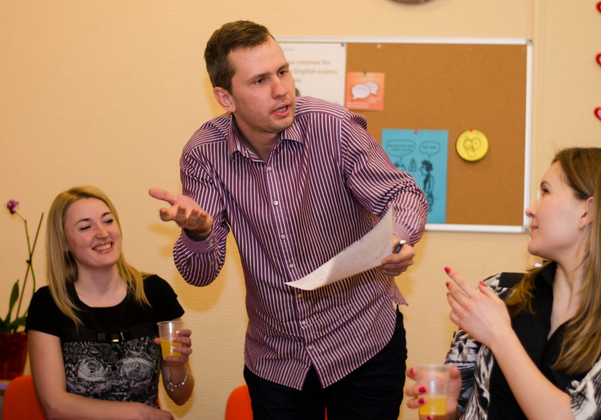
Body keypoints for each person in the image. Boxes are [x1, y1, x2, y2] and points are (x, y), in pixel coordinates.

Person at [149, 20, 428, 420]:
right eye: (260, 80)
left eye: (282, 71)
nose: (281, 89)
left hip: (364, 341)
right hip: (278, 359)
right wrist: (199, 233)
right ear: (225, 98)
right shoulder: (203, 155)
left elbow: (402, 193)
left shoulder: (332, 127)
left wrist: (396, 238)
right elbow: (199, 274)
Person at [405, 147, 601, 419]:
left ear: (587, 212)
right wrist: (447, 408)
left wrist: (500, 336)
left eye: (545, 192)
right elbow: (450, 411)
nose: (530, 209)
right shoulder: (498, 292)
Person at [27, 186, 194, 420]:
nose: (103, 233)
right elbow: (55, 407)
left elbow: (180, 396)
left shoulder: (156, 292)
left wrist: (177, 366)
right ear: (64, 242)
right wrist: (137, 414)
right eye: (85, 227)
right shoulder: (47, 303)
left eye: (108, 221)